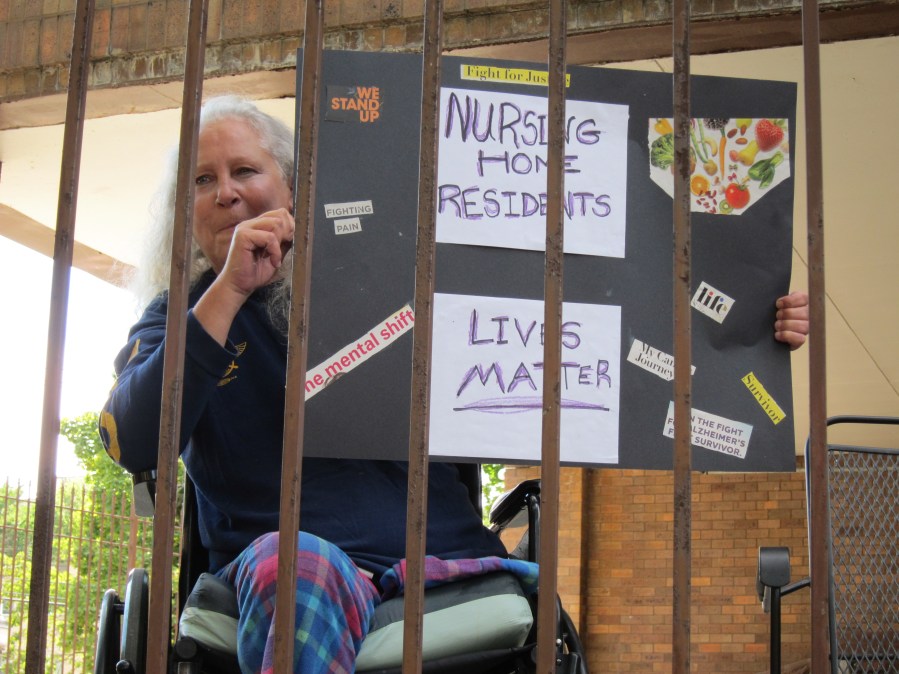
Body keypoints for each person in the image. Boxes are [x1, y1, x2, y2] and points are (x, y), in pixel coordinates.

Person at [99, 95, 809, 674]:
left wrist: (745, 331)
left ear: (293, 187)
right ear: (183, 211)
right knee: (300, 564)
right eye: (202, 180)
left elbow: (608, 328)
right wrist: (224, 293)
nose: (226, 192)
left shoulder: (399, 289)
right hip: (293, 570)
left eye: (245, 171)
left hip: (439, 560)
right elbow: (132, 437)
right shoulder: (182, 316)